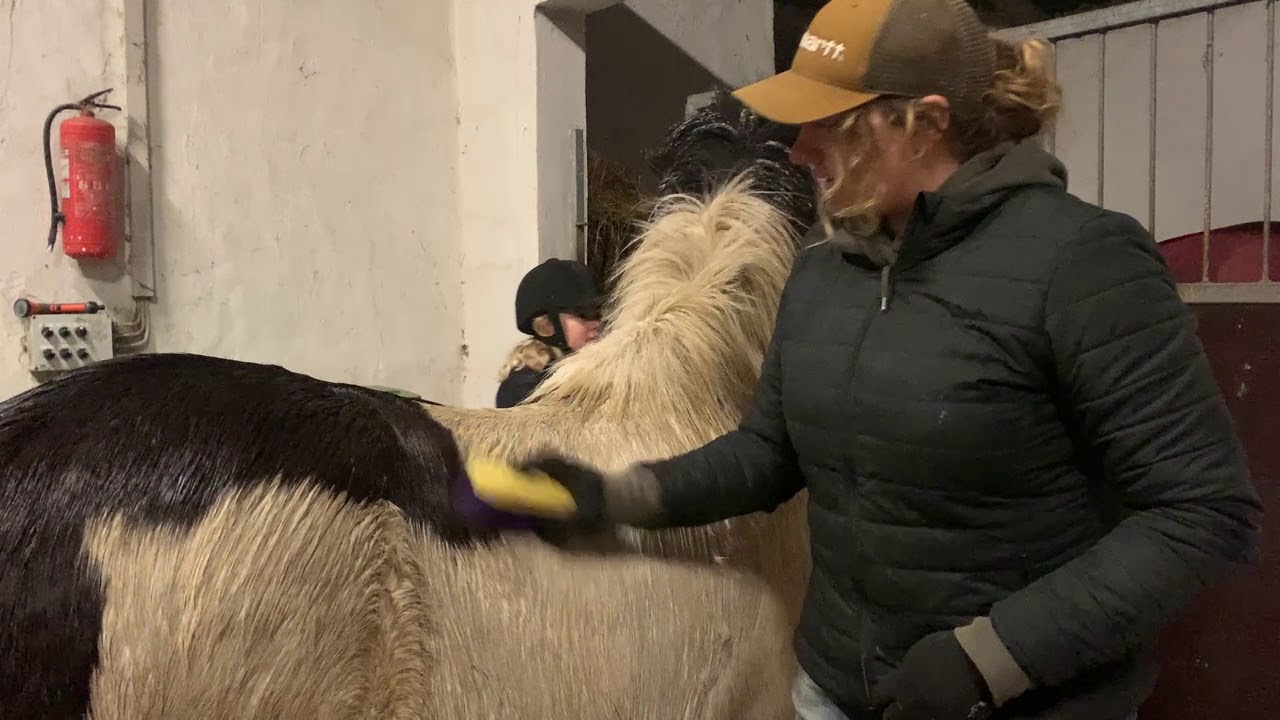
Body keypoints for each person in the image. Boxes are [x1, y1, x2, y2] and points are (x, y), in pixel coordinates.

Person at [506, 1, 1264, 719]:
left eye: (832, 125)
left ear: (925, 123)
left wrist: (991, 657)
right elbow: (768, 454)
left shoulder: (1082, 263)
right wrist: (617, 495)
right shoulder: (822, 274)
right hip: (836, 692)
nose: (801, 151)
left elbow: (1201, 513)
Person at [495, 258, 602, 408]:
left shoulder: (593, 370)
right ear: (547, 325)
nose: (596, 324)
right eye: (583, 315)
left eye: (598, 314)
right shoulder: (525, 387)